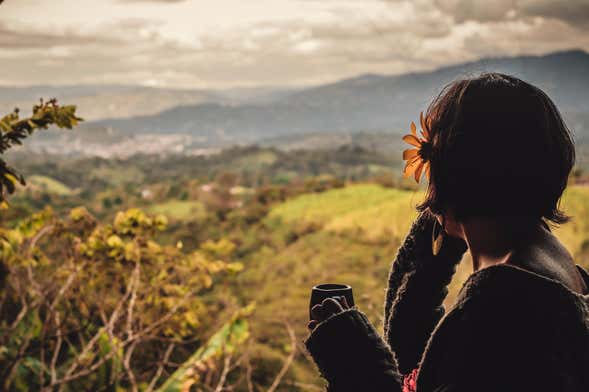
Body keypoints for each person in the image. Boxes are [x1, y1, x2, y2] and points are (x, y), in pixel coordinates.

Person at [304, 73, 589, 392]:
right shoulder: (555, 270)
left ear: (449, 171)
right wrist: (426, 268)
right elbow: (431, 371)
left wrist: (352, 362)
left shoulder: (501, 304)